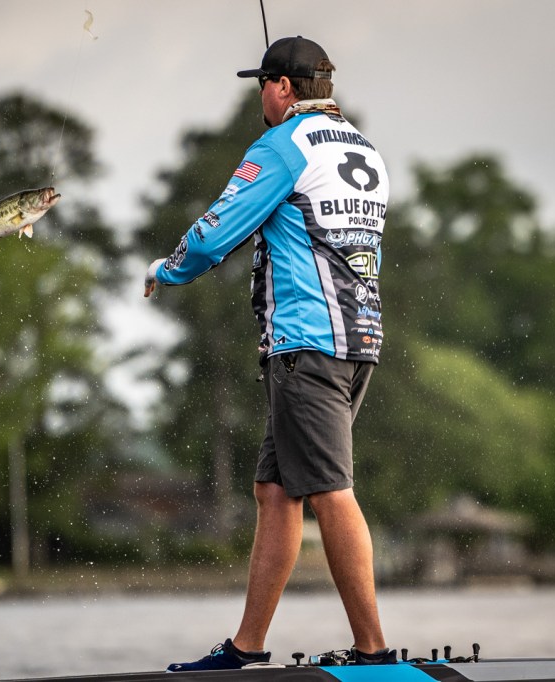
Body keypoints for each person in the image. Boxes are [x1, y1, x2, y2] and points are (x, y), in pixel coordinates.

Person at [143, 36, 395, 670]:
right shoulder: (365, 150)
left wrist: (166, 270)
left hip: (307, 345)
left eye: (262, 84)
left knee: (330, 491)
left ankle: (374, 653)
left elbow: (215, 234)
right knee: (276, 492)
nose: (259, 96)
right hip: (360, 340)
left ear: (282, 87)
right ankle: (247, 649)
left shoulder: (283, 145)